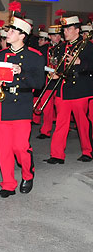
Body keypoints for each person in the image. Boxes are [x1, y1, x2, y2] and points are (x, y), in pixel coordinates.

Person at [0, 17, 44, 197]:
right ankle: (8, 184)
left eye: (12, 31)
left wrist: (22, 73)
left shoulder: (34, 56)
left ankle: (28, 173)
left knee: (20, 147)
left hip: (21, 106)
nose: (8, 34)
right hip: (2, 107)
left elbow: (39, 82)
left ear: (22, 35)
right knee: (3, 149)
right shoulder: (0, 55)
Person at [45, 16, 93, 164]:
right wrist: (55, 74)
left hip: (80, 89)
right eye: (64, 29)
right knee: (60, 124)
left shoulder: (87, 46)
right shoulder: (60, 47)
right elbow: (59, 67)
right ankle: (57, 155)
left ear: (77, 30)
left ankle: (88, 151)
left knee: (83, 124)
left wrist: (80, 63)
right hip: (63, 90)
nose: (65, 32)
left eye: (69, 29)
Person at [35, 24, 62, 139]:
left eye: (58, 35)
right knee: (47, 108)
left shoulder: (65, 47)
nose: (56, 38)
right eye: (54, 35)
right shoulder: (44, 48)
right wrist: (48, 70)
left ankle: (60, 132)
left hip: (61, 81)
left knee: (61, 110)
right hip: (48, 80)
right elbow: (40, 63)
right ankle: (45, 130)